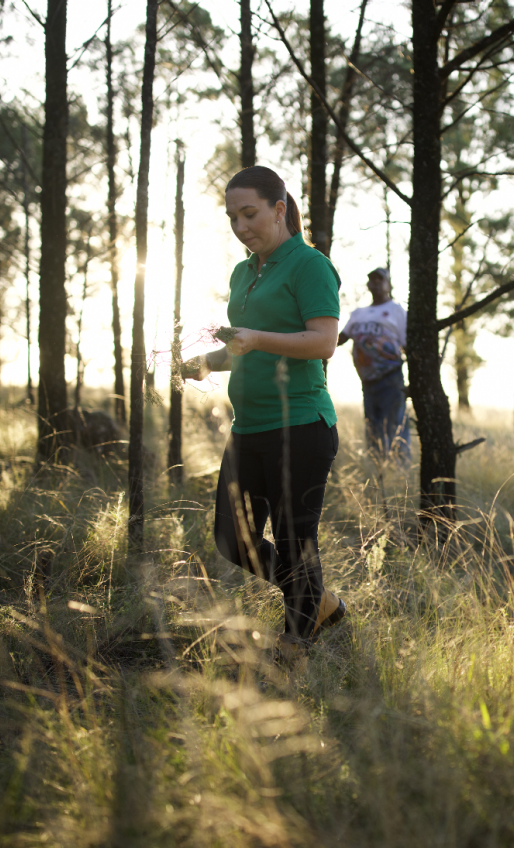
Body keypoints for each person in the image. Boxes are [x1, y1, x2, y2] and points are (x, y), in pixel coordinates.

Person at [181, 165, 346, 662]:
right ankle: (322, 604)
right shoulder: (243, 272)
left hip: (300, 425)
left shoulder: (309, 265)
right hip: (248, 428)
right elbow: (243, 349)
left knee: (296, 541)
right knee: (232, 540)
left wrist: (254, 339)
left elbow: (324, 341)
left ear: (280, 209)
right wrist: (204, 363)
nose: (240, 226)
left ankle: (297, 643)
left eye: (249, 213)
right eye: (232, 217)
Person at [338, 267, 410, 460]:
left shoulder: (396, 310)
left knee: (395, 425)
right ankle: (377, 468)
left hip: (391, 377)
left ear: (388, 284)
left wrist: (414, 381)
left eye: (380, 279)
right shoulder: (358, 313)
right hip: (367, 380)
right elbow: (341, 338)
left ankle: (401, 470)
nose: (376, 283)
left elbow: (407, 345)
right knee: (373, 426)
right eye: (372, 280)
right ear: (368, 285)